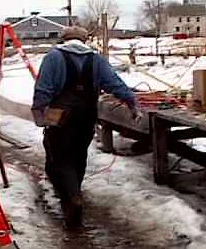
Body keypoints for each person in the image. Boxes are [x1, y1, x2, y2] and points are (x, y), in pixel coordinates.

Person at [32, 26, 140, 230]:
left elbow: (43, 89)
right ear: (84, 40)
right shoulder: (96, 59)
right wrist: (131, 103)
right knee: (79, 156)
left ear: (64, 39)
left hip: (60, 118)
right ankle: (75, 193)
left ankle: (71, 200)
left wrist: (39, 112)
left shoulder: (53, 57)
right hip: (86, 117)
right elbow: (115, 84)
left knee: (59, 159)